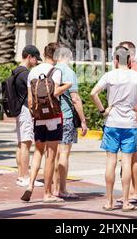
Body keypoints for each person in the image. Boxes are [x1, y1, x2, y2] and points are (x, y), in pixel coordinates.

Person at [90, 46, 137, 212]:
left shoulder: (109, 75)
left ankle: (109, 202)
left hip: (112, 123)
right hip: (130, 124)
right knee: (127, 161)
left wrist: (103, 110)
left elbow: (93, 93)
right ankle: (127, 201)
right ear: (129, 60)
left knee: (110, 162)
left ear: (115, 59)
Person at [21, 42, 72, 203]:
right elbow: (54, 92)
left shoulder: (33, 72)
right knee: (50, 156)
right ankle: (47, 193)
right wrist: (67, 86)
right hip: (53, 117)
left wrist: (35, 114)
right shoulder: (55, 72)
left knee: (38, 152)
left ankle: (30, 185)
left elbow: (30, 100)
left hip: (38, 118)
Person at [52, 46, 89, 199]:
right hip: (66, 117)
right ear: (67, 56)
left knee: (53, 154)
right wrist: (83, 120)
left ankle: (52, 188)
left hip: (51, 117)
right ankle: (62, 189)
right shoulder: (69, 72)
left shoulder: (51, 70)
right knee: (64, 154)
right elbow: (75, 98)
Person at [119, 41, 137, 203]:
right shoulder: (132, 70)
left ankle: (135, 192)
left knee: (132, 156)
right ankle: (134, 192)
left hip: (134, 122)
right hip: (133, 120)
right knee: (133, 155)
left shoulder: (136, 71)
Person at [13, 45, 44, 188]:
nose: (36, 62)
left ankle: (20, 175)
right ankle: (25, 176)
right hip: (25, 110)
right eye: (35, 59)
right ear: (29, 57)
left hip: (19, 110)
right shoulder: (25, 74)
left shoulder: (15, 71)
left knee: (20, 144)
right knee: (26, 143)